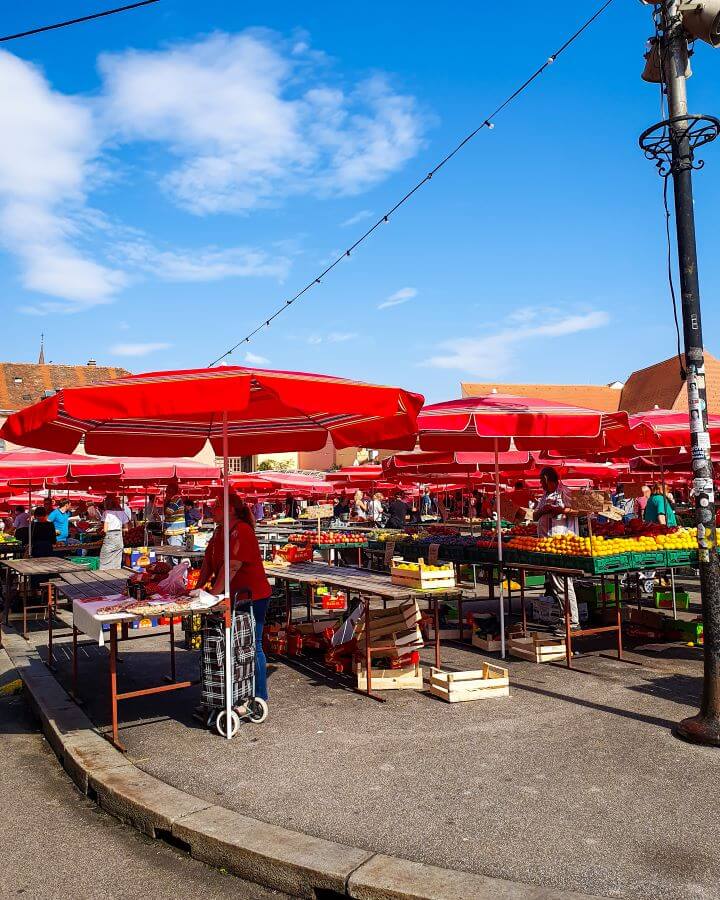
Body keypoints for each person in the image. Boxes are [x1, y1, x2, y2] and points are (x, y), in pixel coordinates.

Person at [196, 493, 272, 704]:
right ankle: (237, 691)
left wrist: (211, 595)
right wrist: (197, 588)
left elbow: (233, 566)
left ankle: (259, 695)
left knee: (252, 645)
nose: (213, 508)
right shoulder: (220, 531)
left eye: (217, 504)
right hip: (234, 596)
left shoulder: (242, 531)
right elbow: (208, 563)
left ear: (230, 510)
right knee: (233, 645)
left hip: (253, 596)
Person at [533, 467, 581, 633]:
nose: (540, 484)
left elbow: (578, 510)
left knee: (564, 584)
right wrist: (542, 511)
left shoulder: (564, 492)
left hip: (563, 545)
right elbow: (534, 516)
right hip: (547, 546)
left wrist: (559, 510)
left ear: (547, 479)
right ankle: (564, 618)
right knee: (555, 585)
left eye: (541, 481)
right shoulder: (545, 496)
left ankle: (573, 622)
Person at [99, 495, 130, 569]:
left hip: (110, 536)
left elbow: (105, 529)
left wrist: (102, 531)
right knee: (116, 562)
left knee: (104, 561)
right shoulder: (122, 513)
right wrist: (118, 529)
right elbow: (126, 529)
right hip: (119, 537)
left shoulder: (107, 513)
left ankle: (104, 578)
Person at [164, 479, 186, 548]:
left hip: (175, 532)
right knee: (171, 555)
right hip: (173, 532)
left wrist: (166, 501)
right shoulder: (173, 500)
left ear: (172, 491)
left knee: (174, 555)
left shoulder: (175, 499)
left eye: (167, 491)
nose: (166, 493)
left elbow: (168, 512)